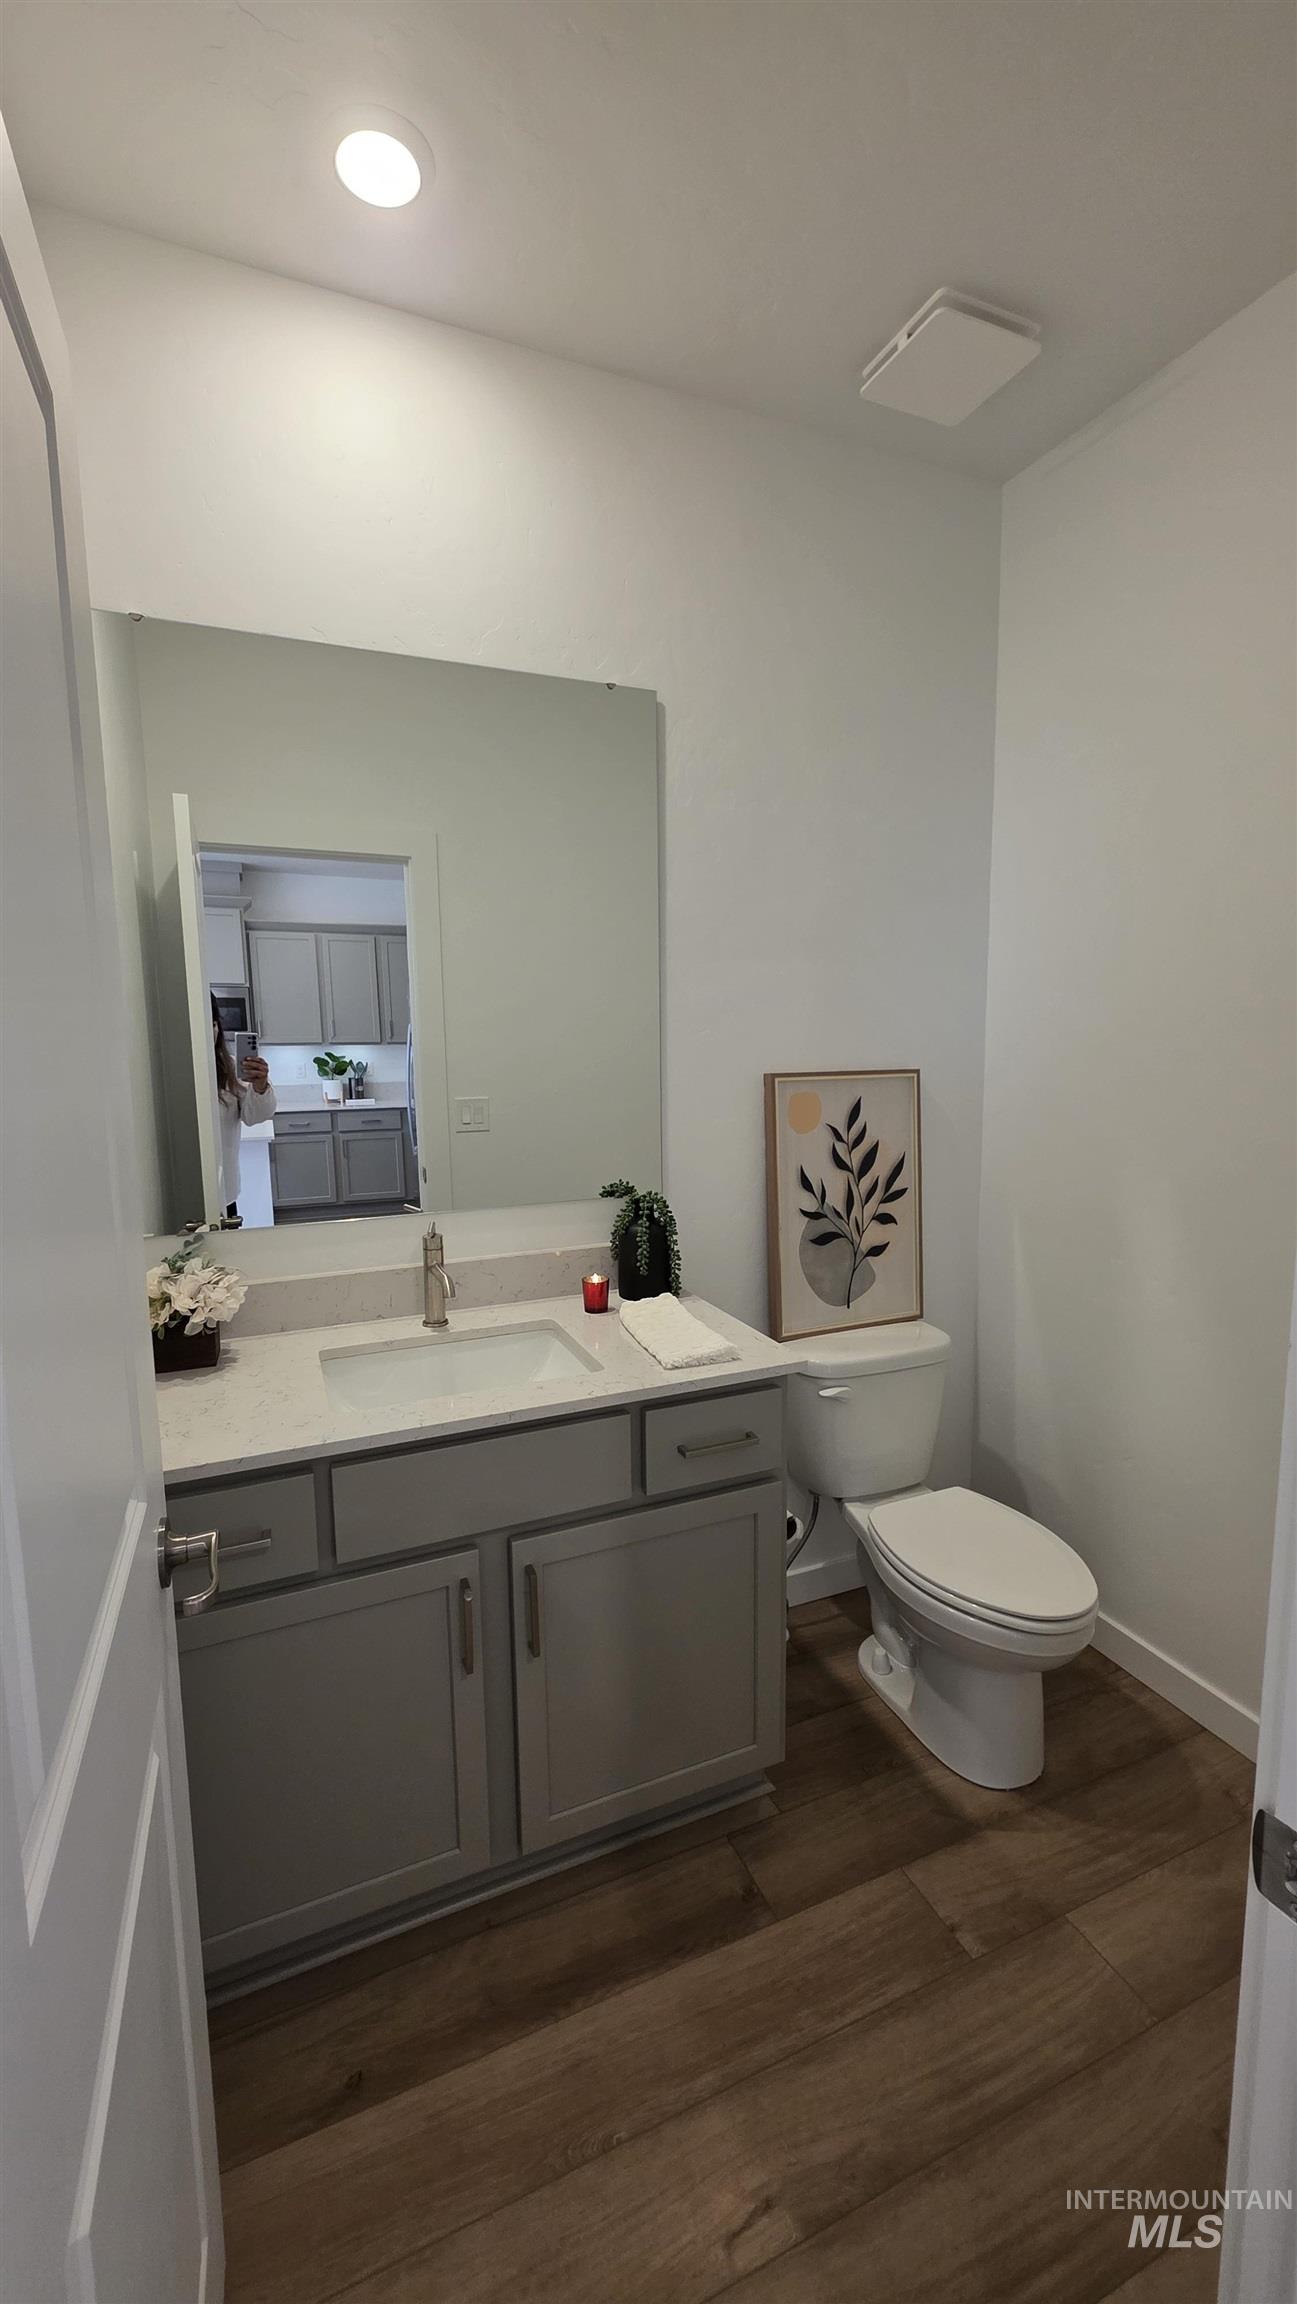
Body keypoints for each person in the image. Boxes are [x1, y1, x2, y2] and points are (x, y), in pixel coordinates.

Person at [211, 997, 275, 1218]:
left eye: (213, 1024)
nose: (210, 1032)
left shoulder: (229, 1069)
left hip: (224, 1190)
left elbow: (256, 1116)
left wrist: (260, 1085)